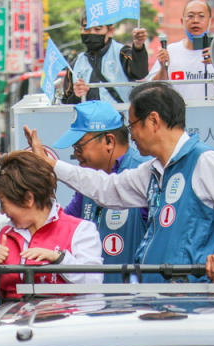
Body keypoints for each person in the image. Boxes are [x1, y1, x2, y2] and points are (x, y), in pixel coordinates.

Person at [24, 82, 214, 283]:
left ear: (153, 121)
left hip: (195, 300)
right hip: (159, 298)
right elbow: (108, 189)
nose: (131, 135)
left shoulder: (204, 162)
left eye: (133, 125)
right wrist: (52, 165)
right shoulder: (152, 171)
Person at [0, 150, 104, 302]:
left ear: (28, 198)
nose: (2, 212)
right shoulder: (4, 235)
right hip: (13, 323)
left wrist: (59, 259)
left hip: (66, 322)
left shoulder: (81, 231)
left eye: (4, 203)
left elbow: (93, 285)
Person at [55, 101, 150, 282]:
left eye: (79, 146)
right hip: (94, 302)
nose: (76, 154)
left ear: (109, 141)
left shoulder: (145, 173)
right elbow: (64, 226)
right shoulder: (87, 185)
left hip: (137, 303)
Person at [151, 1, 214, 100]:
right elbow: (152, 90)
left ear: (210, 21)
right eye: (190, 16)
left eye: (201, 16)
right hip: (180, 114)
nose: (195, 21)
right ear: (182, 21)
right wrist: (163, 68)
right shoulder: (170, 51)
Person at [66, 16, 149, 104]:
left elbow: (139, 72)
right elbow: (65, 102)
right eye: (86, 29)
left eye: (97, 29)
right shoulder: (76, 63)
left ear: (110, 31)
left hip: (120, 115)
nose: (91, 33)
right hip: (86, 116)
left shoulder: (122, 53)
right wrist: (76, 96)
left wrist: (138, 47)